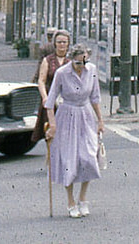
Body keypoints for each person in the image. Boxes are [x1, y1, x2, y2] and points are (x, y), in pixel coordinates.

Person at [45, 43, 104, 218]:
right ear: (72, 60)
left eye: (85, 62)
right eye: (78, 63)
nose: (82, 67)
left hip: (85, 115)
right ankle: (70, 201)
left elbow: (95, 97)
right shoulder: (62, 73)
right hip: (67, 115)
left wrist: (100, 120)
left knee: (89, 158)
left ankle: (83, 198)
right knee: (69, 160)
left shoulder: (91, 70)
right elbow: (50, 101)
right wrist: (52, 125)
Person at [32, 29, 71, 144]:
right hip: (51, 100)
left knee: (66, 135)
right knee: (51, 135)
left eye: (64, 42)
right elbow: (41, 80)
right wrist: (45, 97)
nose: (62, 45)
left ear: (68, 43)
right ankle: (52, 160)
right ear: (55, 44)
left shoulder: (71, 62)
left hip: (66, 102)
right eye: (59, 42)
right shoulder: (48, 60)